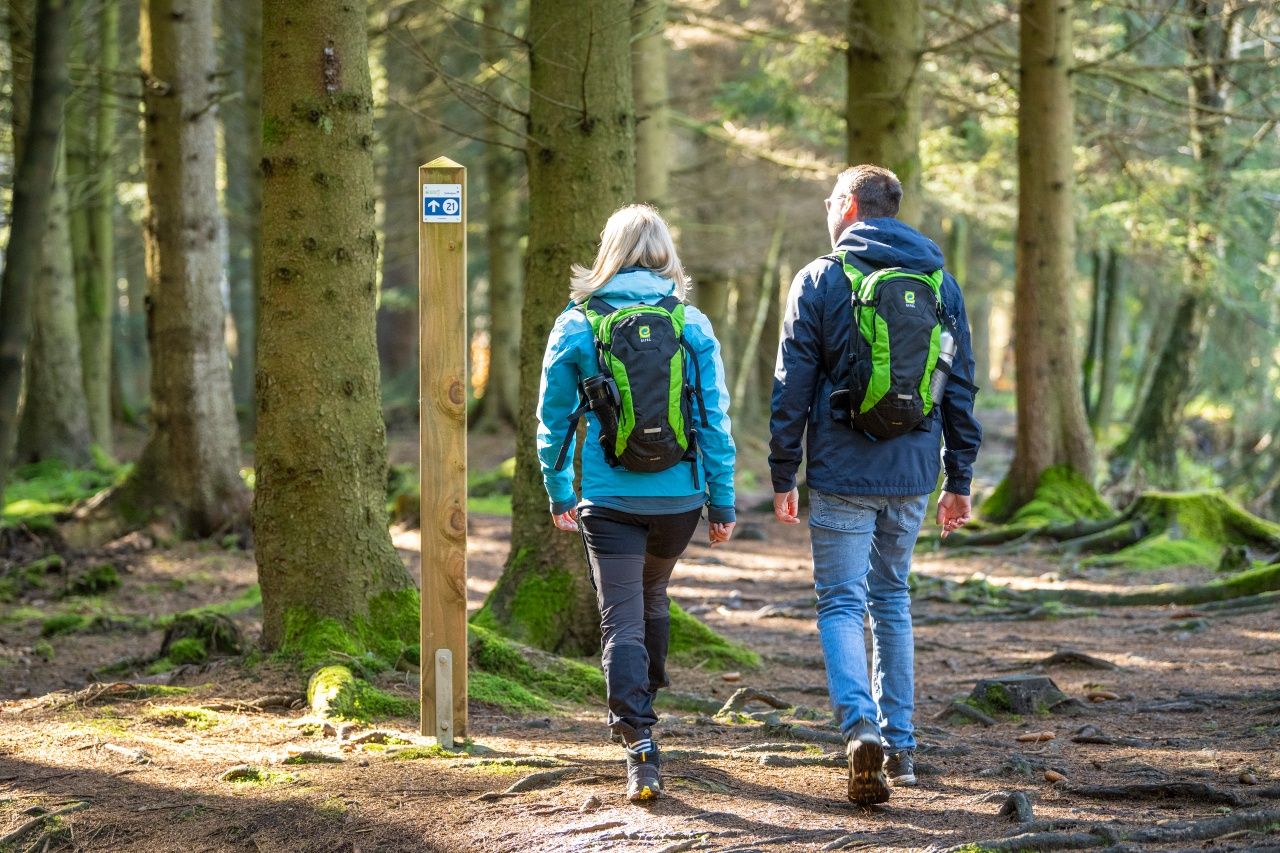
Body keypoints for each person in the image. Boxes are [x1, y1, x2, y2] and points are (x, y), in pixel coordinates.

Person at [769, 165, 982, 805]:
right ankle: (903, 749)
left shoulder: (820, 278)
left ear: (850, 207)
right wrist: (959, 477)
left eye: (831, 200)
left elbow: (791, 384)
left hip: (841, 468)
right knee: (891, 599)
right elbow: (960, 385)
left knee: (841, 601)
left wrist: (784, 470)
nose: (827, 210)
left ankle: (860, 727)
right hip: (913, 470)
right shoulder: (940, 282)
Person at [537, 204, 737, 803]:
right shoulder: (691, 323)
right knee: (653, 593)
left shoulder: (577, 324)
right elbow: (715, 420)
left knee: (620, 615)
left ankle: (639, 740)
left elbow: (553, 421)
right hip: (680, 498)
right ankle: (647, 695)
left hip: (609, 496)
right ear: (665, 254)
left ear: (610, 252)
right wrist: (722, 502)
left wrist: (560, 490)